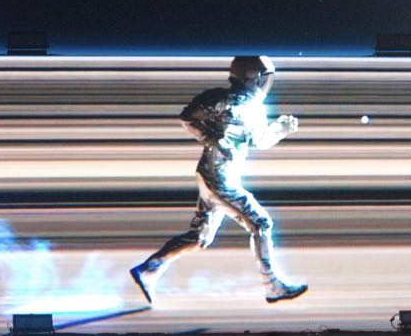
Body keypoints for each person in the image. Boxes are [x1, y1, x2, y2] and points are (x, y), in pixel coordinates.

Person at [129, 55, 308, 305]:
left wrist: (280, 129)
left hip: (216, 176)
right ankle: (272, 285)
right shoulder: (221, 99)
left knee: (199, 237)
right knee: (261, 223)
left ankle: (149, 269)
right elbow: (188, 117)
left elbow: (259, 140)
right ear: (253, 78)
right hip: (220, 178)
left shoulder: (250, 106)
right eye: (264, 78)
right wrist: (210, 137)